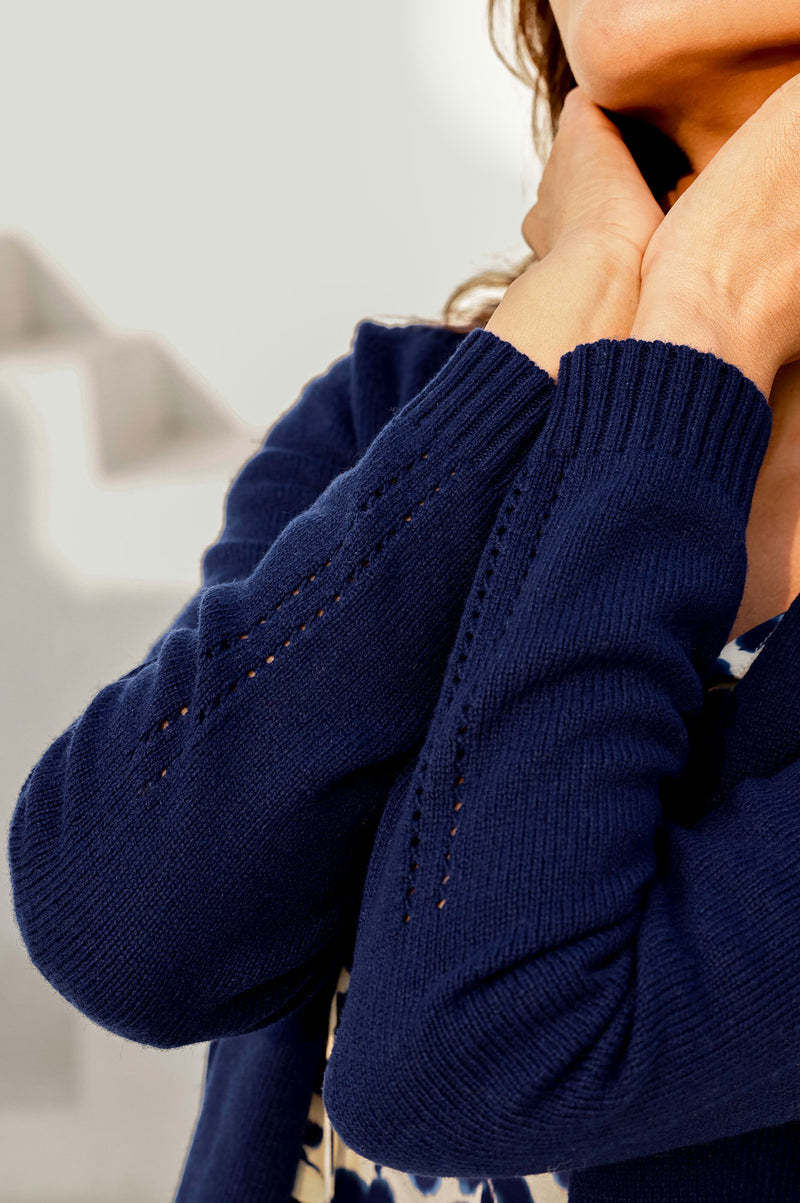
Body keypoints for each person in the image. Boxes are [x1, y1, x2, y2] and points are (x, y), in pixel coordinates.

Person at [8, 2, 800, 1201]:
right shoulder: (400, 408)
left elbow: (470, 1058)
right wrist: (573, 300)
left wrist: (705, 323)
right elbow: (122, 926)